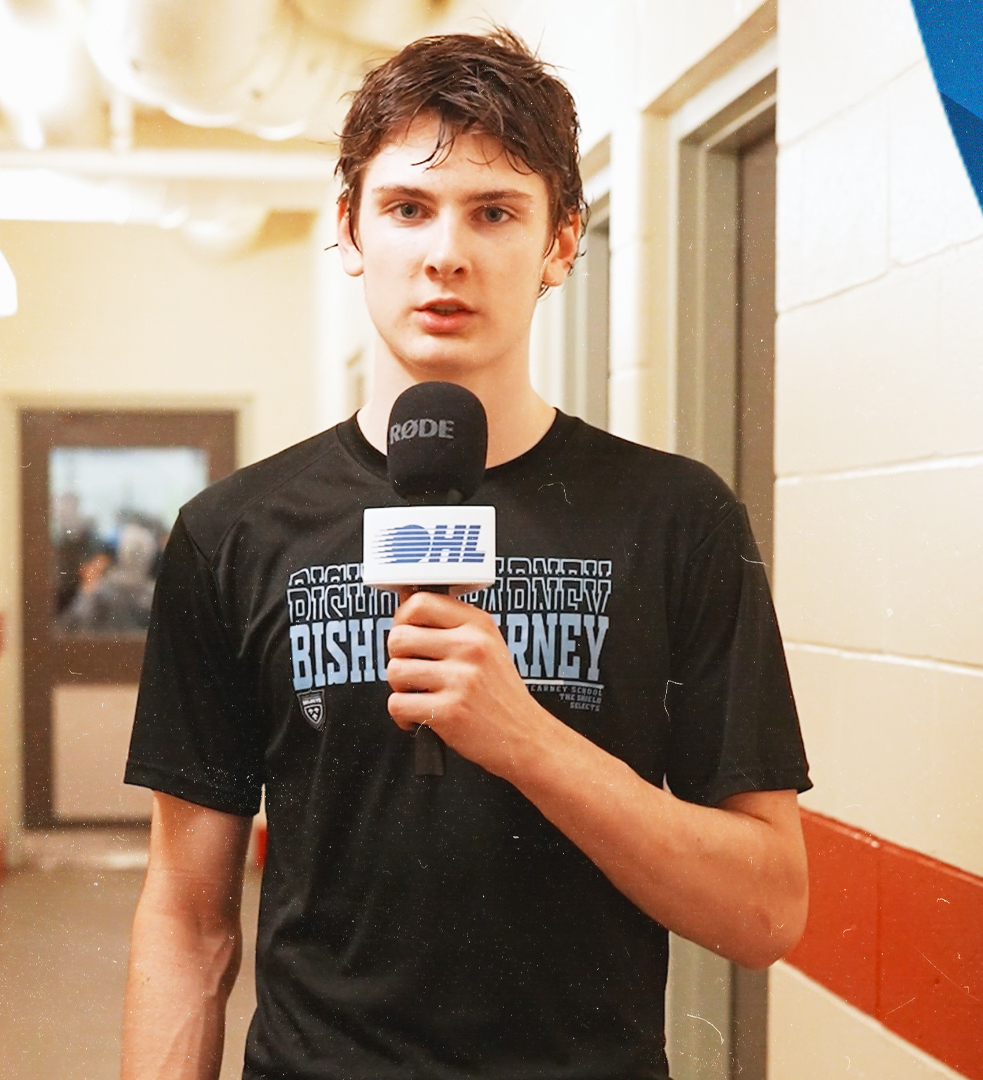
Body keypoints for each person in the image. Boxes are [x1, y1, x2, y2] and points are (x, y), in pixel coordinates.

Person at [119, 30, 810, 1080]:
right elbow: (185, 919)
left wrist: (526, 741)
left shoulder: (678, 518)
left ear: (561, 242)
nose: (446, 252)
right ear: (349, 229)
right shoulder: (235, 531)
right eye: (408, 207)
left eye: (495, 212)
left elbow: (767, 911)